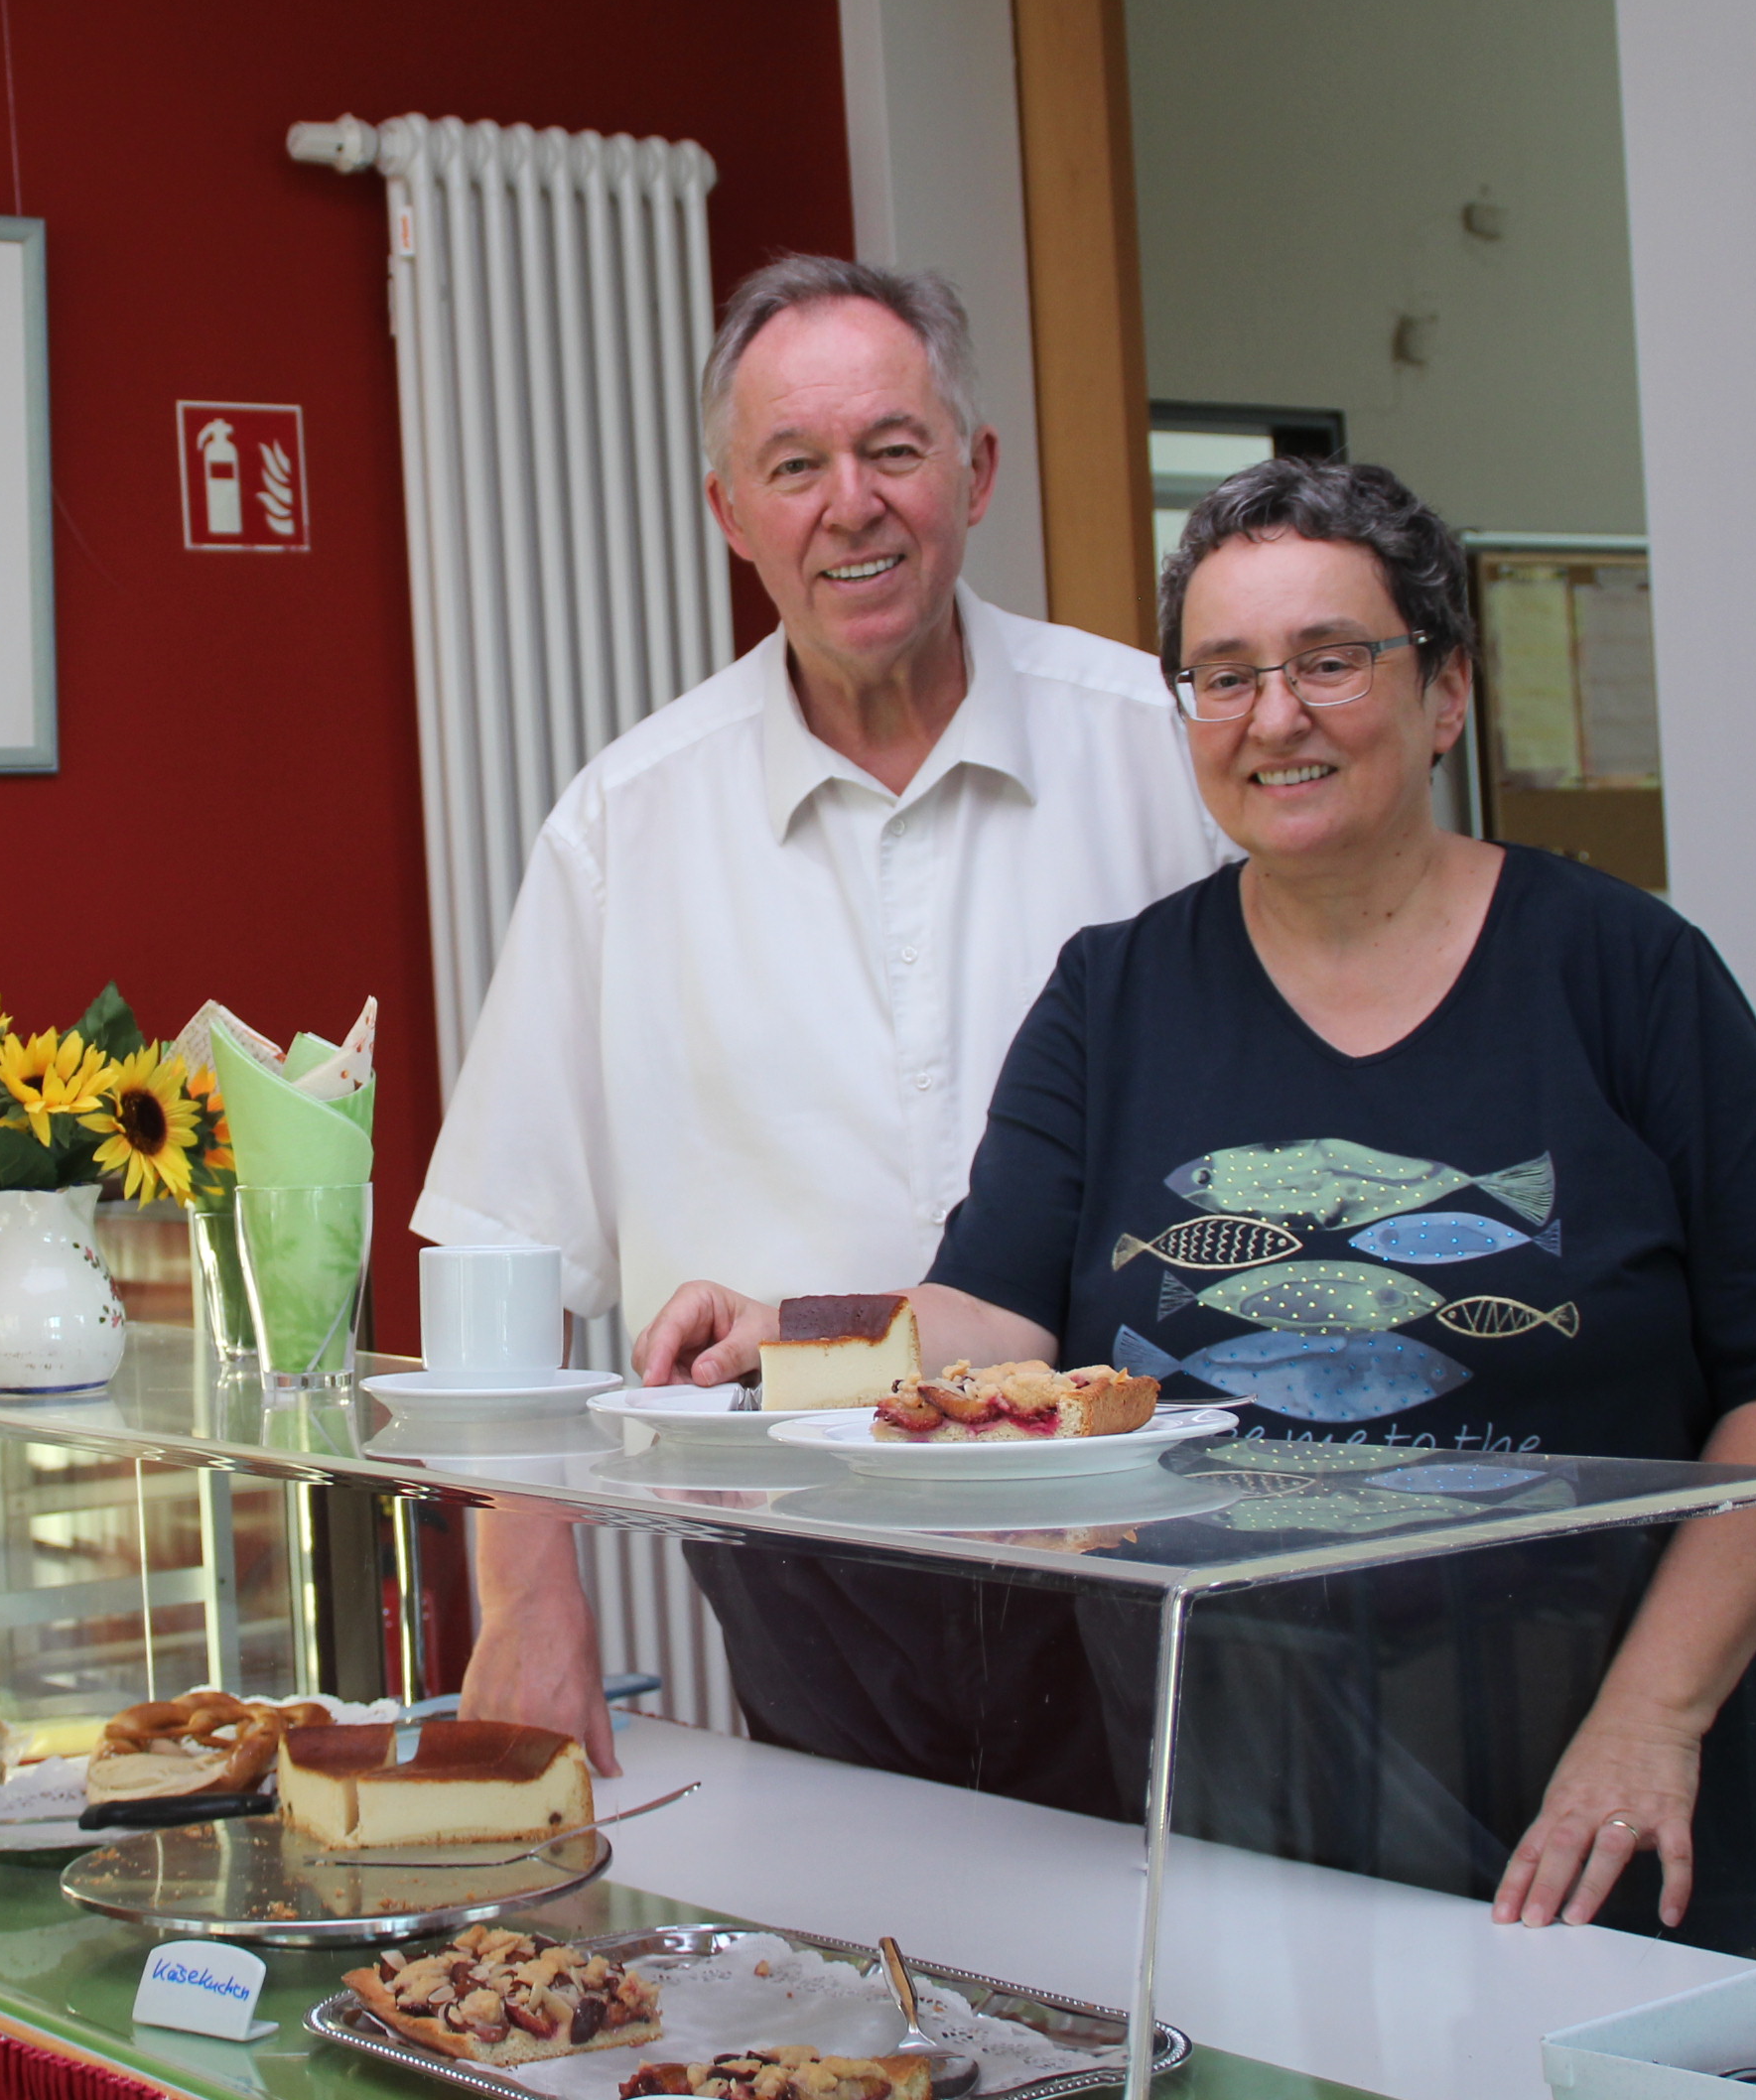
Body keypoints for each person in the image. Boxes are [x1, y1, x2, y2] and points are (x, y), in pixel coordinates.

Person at [636, 458, 1756, 1951]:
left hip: (1584, 1792)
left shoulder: (1626, 972)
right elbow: (996, 1317)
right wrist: (793, 1331)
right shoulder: (1113, 997)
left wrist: (1650, 1723)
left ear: (1444, 692)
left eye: (1330, 660)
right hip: (1231, 1779)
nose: (1274, 716)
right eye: (1223, 676)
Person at [416, 254, 1228, 1791]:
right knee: (859, 1936)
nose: (850, 506)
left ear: (976, 472)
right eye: (794, 467)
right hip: (808, 1585)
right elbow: (501, 1252)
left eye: (893, 449)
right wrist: (526, 1599)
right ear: (730, 512)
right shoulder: (627, 824)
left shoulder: (1164, 751)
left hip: (1152, 1537)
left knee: (1197, 1932)